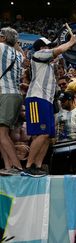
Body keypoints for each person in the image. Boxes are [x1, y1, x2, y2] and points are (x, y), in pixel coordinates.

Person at [23, 35, 76, 175]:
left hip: (46, 100)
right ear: (42, 47)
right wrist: (71, 42)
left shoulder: (48, 64)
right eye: (48, 46)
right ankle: (29, 166)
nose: (50, 48)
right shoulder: (38, 54)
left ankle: (38, 165)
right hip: (36, 99)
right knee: (40, 133)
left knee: (48, 135)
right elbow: (58, 50)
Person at [0, 27, 25, 174]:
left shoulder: (1, 47)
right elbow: (20, 50)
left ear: (3, 38)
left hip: (5, 94)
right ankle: (8, 167)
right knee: (3, 134)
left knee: (2, 134)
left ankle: (17, 167)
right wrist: (14, 41)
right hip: (15, 95)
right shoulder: (19, 54)